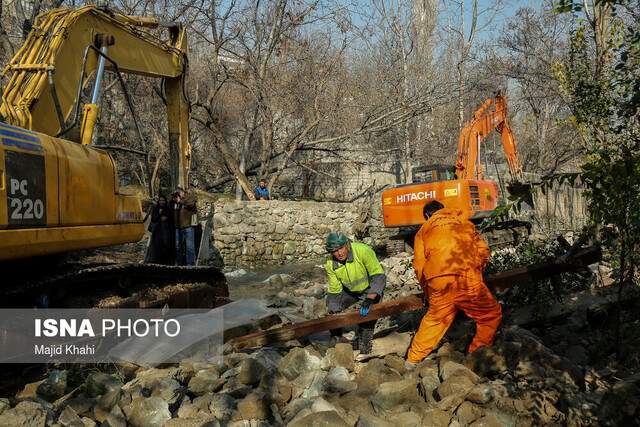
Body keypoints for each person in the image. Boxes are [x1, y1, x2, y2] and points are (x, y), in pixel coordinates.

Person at [406, 200, 502, 365]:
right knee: (490, 315)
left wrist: (428, 290)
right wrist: (477, 271)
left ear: (427, 216)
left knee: (435, 321)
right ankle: (475, 355)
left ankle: (412, 360)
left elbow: (419, 266)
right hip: (466, 277)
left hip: (438, 281)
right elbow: (483, 251)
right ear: (444, 210)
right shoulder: (464, 222)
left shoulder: (424, 229)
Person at [325, 231, 386, 354]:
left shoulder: (363, 250)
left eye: (341, 248)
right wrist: (333, 310)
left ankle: (365, 346)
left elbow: (378, 275)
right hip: (350, 291)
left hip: (369, 288)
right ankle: (336, 339)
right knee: (332, 311)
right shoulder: (330, 263)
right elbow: (334, 289)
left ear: (347, 245)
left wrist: (370, 299)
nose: (339, 253)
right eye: (335, 251)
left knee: (368, 316)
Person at [145, 195, 175, 264]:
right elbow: (153, 219)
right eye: (160, 200)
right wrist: (159, 214)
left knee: (166, 245)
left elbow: (171, 218)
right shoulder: (156, 208)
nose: (161, 202)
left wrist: (167, 218)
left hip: (166, 231)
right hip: (157, 231)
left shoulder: (168, 208)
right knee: (157, 246)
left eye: (163, 201)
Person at [172, 188, 198, 265]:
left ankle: (190, 265)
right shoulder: (176, 201)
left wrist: (181, 201)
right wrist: (173, 200)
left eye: (177, 194)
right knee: (178, 247)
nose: (177, 196)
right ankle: (178, 263)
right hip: (178, 227)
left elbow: (191, 204)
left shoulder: (189, 197)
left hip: (188, 226)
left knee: (189, 247)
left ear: (182, 192)